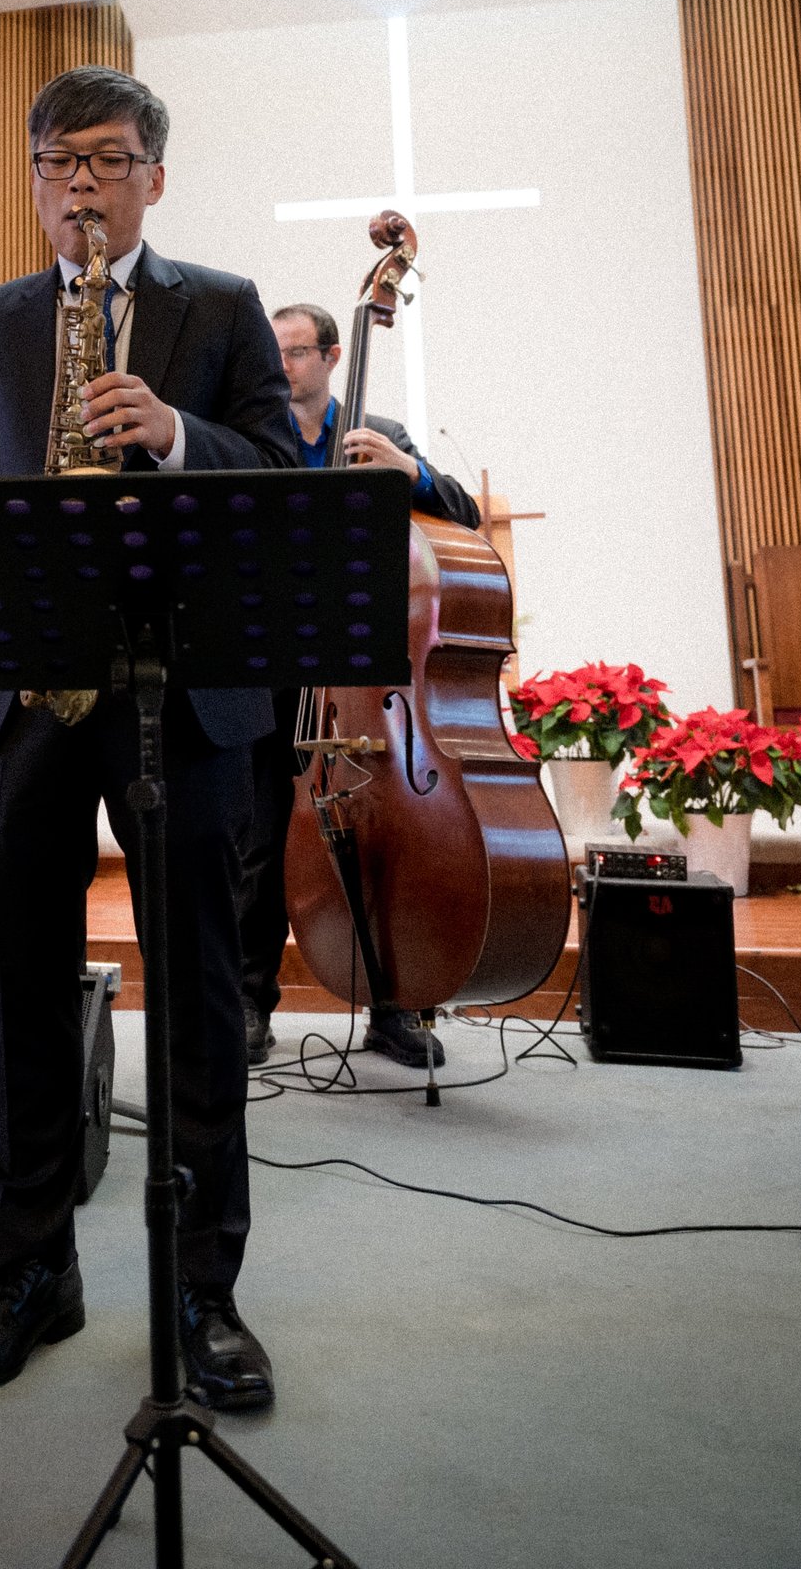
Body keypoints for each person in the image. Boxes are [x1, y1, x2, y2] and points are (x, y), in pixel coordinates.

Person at [0, 65, 297, 1409]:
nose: (81, 181)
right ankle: (31, 1273)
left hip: (182, 695)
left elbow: (284, 475)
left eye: (109, 158)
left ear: (154, 178)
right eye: (58, 159)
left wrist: (179, 434)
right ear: (33, 180)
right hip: (25, 700)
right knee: (23, 994)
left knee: (197, 996)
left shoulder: (223, 308)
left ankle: (203, 1294)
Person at [238, 303, 481, 1071]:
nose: (282, 367)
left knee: (382, 843)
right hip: (273, 669)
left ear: (333, 356)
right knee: (261, 846)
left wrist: (411, 473)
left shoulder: (380, 433)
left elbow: (466, 515)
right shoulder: (257, 438)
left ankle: (393, 1006)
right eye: (274, 353)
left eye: (295, 352)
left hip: (364, 682)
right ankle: (248, 1004)